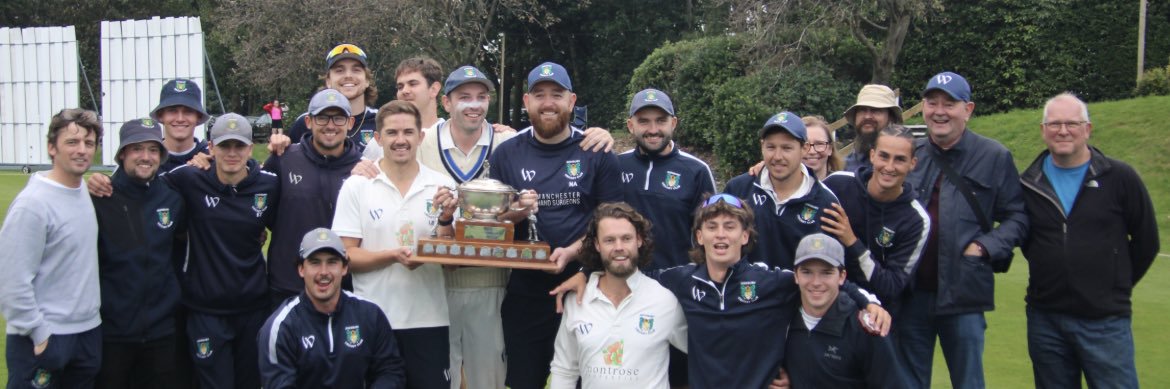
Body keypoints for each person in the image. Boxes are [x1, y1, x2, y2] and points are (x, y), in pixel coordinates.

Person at [556, 193, 889, 388]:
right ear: (699, 236)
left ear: (745, 236)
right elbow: (624, 268)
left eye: (730, 227)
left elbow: (822, 279)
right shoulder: (677, 282)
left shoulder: (771, 282)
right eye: (711, 227)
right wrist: (588, 273)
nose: (721, 235)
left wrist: (869, 302)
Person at [486, 61, 624, 389]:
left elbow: (613, 221)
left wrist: (574, 252)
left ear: (572, 101)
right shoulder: (507, 153)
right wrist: (516, 213)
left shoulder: (597, 151)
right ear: (526, 102)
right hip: (525, 293)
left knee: (587, 381)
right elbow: (493, 223)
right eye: (539, 94)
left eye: (556, 95)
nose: (548, 102)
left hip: (587, 286)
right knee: (524, 380)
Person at [1019, 93, 1159, 388]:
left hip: (1105, 322)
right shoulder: (1028, 183)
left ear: (1088, 129)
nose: (1063, 130)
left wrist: (1113, 285)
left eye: (1072, 123)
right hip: (1046, 320)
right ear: (1043, 130)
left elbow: (1147, 241)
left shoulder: (1119, 177)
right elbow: (1027, 240)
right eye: (1054, 123)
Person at [900, 71, 1028, 389]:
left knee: (968, 382)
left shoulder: (994, 156)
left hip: (964, 294)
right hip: (912, 296)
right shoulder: (910, 154)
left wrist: (985, 247)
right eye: (932, 103)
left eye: (949, 103)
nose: (939, 111)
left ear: (968, 110)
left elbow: (1018, 217)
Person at [333, 100, 458, 389]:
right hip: (372, 320)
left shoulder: (441, 187)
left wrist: (446, 220)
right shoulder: (357, 186)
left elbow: (452, 264)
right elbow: (345, 257)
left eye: (408, 132)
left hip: (429, 320)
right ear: (378, 138)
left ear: (420, 136)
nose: (400, 140)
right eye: (391, 133)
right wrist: (392, 255)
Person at [162, 113, 281, 388]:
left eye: (239, 146)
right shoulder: (189, 179)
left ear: (250, 149)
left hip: (252, 307)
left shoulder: (269, 184)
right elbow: (143, 184)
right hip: (206, 311)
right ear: (210, 148)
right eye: (224, 146)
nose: (231, 153)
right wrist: (103, 183)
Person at [615, 88, 713, 387]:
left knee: (677, 376)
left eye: (660, 120)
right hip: (623, 290)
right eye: (644, 121)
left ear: (674, 123)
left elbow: (709, 236)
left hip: (676, 295)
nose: (653, 129)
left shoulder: (696, 170)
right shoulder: (614, 166)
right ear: (631, 125)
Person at [0, 108, 103, 389]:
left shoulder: (83, 190)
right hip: (45, 338)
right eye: (72, 142)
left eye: (88, 143)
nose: (82, 150)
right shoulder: (32, 204)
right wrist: (39, 333)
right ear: (51, 148)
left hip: (88, 333)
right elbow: (10, 282)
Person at [549, 202, 688, 389]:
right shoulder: (578, 299)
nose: (619, 247)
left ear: (639, 240)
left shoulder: (664, 301)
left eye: (626, 238)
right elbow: (564, 370)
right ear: (597, 245)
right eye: (609, 240)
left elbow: (702, 355)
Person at [92, 118, 187, 389]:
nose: (146, 157)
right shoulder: (100, 198)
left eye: (153, 150)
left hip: (161, 334)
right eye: (137, 149)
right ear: (123, 153)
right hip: (113, 334)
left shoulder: (171, 198)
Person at [258, 228, 407, 388]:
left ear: (344, 268)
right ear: (301, 269)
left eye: (332, 262)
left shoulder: (370, 315)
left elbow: (390, 372)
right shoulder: (280, 327)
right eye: (315, 262)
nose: (324, 272)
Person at [263, 88, 365, 306]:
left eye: (338, 118)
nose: (330, 125)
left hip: (344, 288)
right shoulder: (283, 159)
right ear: (308, 121)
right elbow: (263, 213)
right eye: (322, 117)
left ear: (350, 122)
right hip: (287, 285)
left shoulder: (364, 168)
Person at [820, 124, 929, 318]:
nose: (889, 167)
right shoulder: (837, 185)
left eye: (900, 160)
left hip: (875, 317)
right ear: (872, 155)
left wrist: (852, 241)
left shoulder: (916, 220)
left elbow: (890, 286)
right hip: (822, 308)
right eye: (884, 156)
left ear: (913, 163)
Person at [780, 233, 908, 388]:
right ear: (796, 276)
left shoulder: (865, 327)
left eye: (826, 273)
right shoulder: (782, 319)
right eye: (807, 272)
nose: (816, 282)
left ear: (842, 276)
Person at [724, 112, 839, 269]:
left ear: (804, 149)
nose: (777, 156)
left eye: (786, 148)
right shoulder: (738, 190)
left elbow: (832, 267)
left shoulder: (825, 201)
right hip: (745, 292)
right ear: (762, 146)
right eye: (771, 147)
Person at [285, 43, 380, 153]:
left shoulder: (382, 121)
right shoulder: (307, 122)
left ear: (367, 80)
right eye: (339, 70)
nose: (348, 75)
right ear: (328, 81)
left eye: (356, 70)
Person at [842, 84, 903, 170]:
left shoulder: (906, 166)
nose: (867, 116)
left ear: (891, 118)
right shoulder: (845, 167)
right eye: (862, 110)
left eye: (876, 110)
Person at [801, 116, 843, 180]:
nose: (812, 151)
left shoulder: (843, 185)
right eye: (805, 144)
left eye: (819, 144)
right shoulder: (782, 187)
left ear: (830, 149)